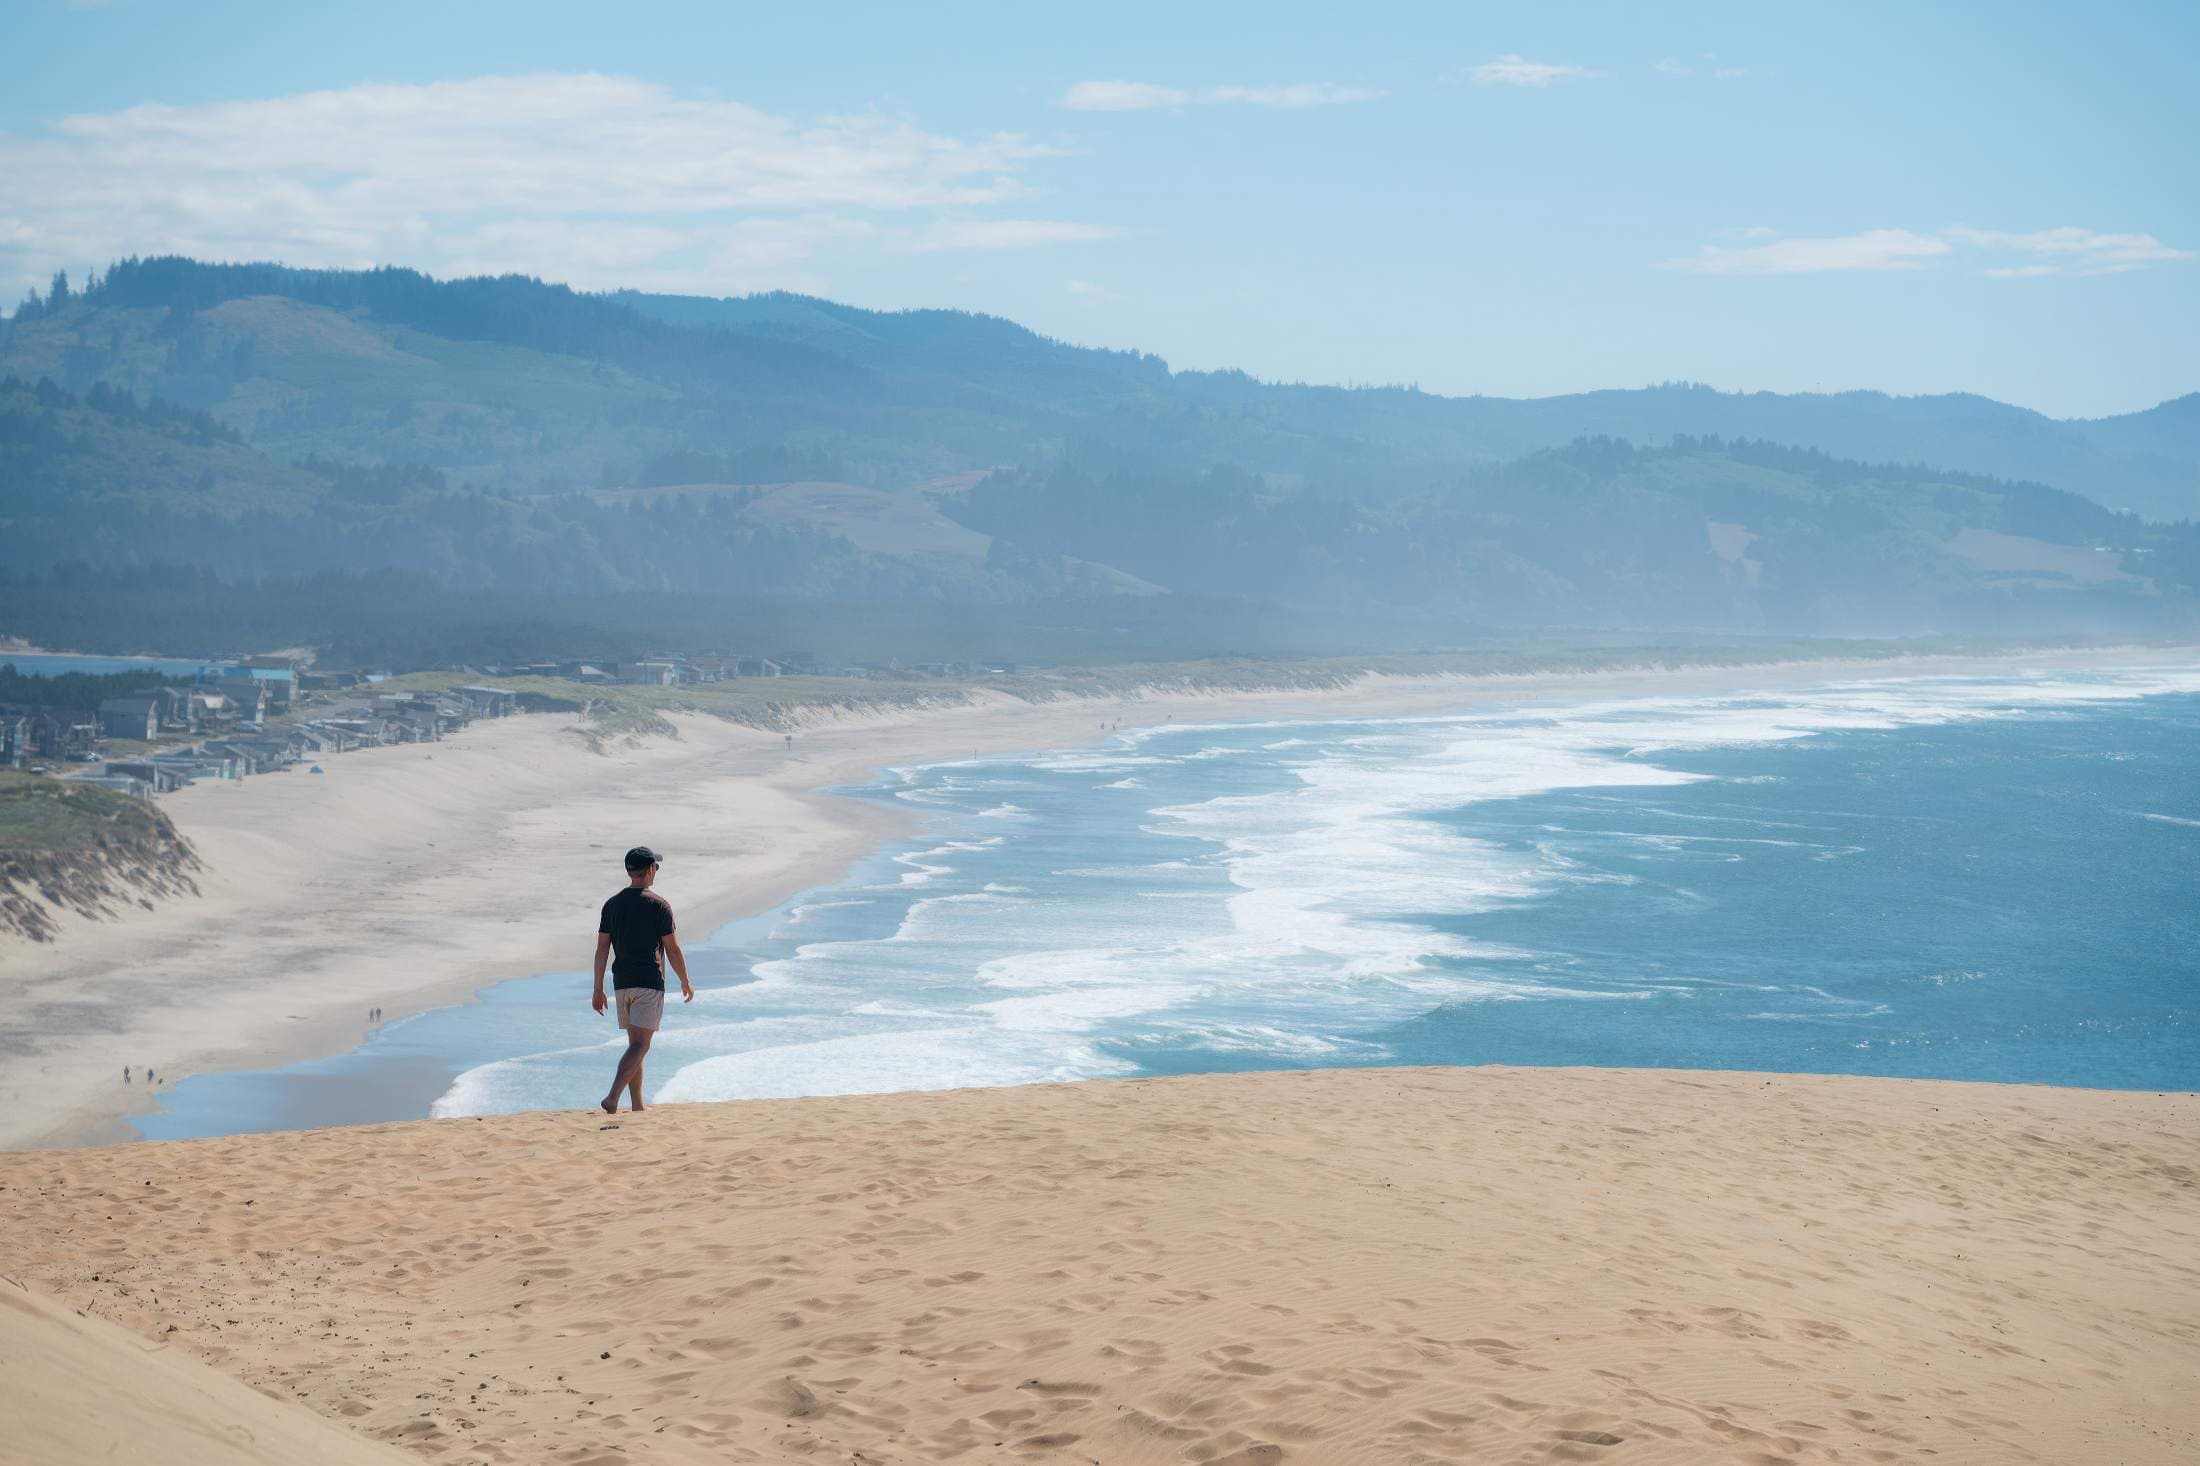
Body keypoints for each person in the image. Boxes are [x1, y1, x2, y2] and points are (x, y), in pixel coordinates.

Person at [591, 845, 692, 1113]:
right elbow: (672, 949)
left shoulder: (611, 905)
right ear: (649, 870)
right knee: (640, 1045)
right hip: (648, 982)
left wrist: (598, 989)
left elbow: (602, 948)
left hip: (621, 982)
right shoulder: (659, 905)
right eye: (655, 867)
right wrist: (685, 980)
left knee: (635, 1045)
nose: (655, 871)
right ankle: (613, 1097)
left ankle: (637, 1105)